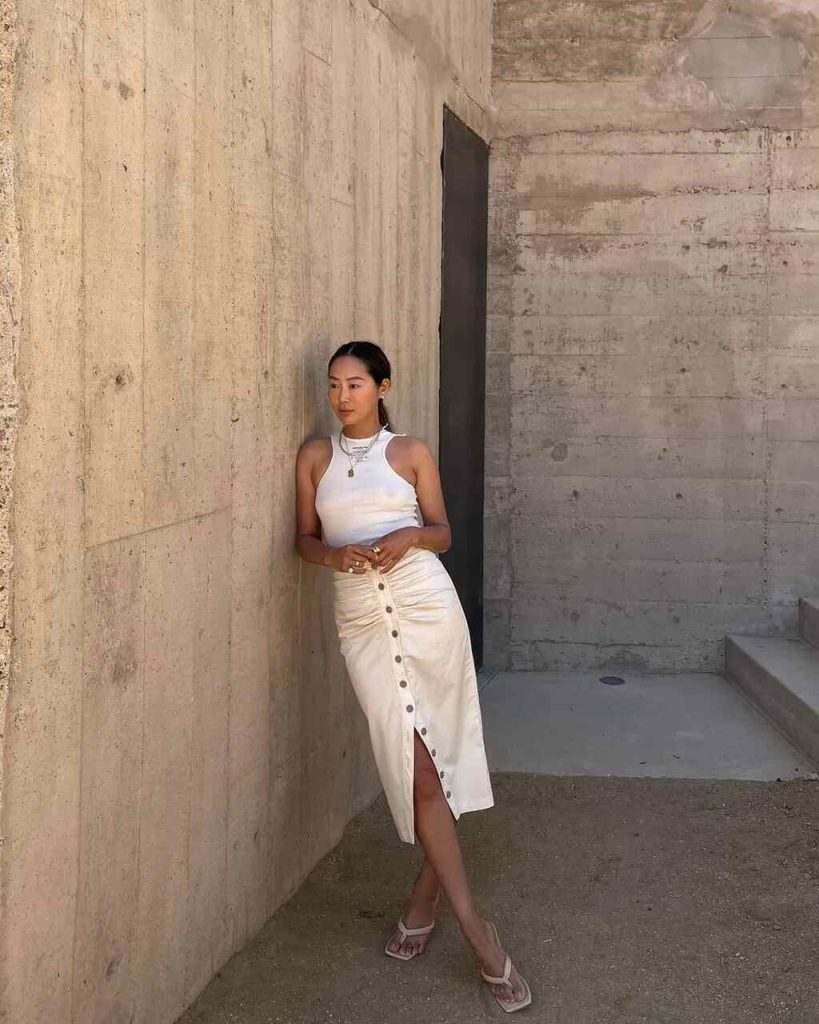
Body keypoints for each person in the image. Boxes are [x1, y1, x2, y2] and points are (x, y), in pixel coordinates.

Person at [294, 340, 532, 1012]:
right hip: (362, 621)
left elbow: (442, 532)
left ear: (382, 387)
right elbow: (302, 539)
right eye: (333, 384)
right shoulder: (314, 457)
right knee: (414, 763)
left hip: (426, 607)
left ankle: (468, 928)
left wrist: (408, 538)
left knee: (436, 764)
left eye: (355, 384)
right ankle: (440, 909)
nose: (341, 396)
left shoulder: (411, 453)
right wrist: (333, 557)